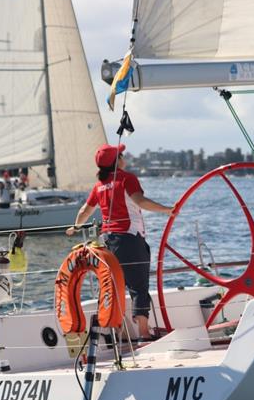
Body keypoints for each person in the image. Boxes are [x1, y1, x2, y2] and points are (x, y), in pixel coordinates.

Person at [66, 143, 174, 340]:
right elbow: (141, 202)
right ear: (117, 161)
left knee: (114, 287)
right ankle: (143, 333)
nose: (124, 157)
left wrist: (75, 227)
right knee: (138, 286)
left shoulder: (99, 186)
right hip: (129, 239)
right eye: (122, 155)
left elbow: (84, 211)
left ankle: (118, 334)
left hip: (107, 242)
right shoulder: (127, 179)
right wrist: (168, 210)